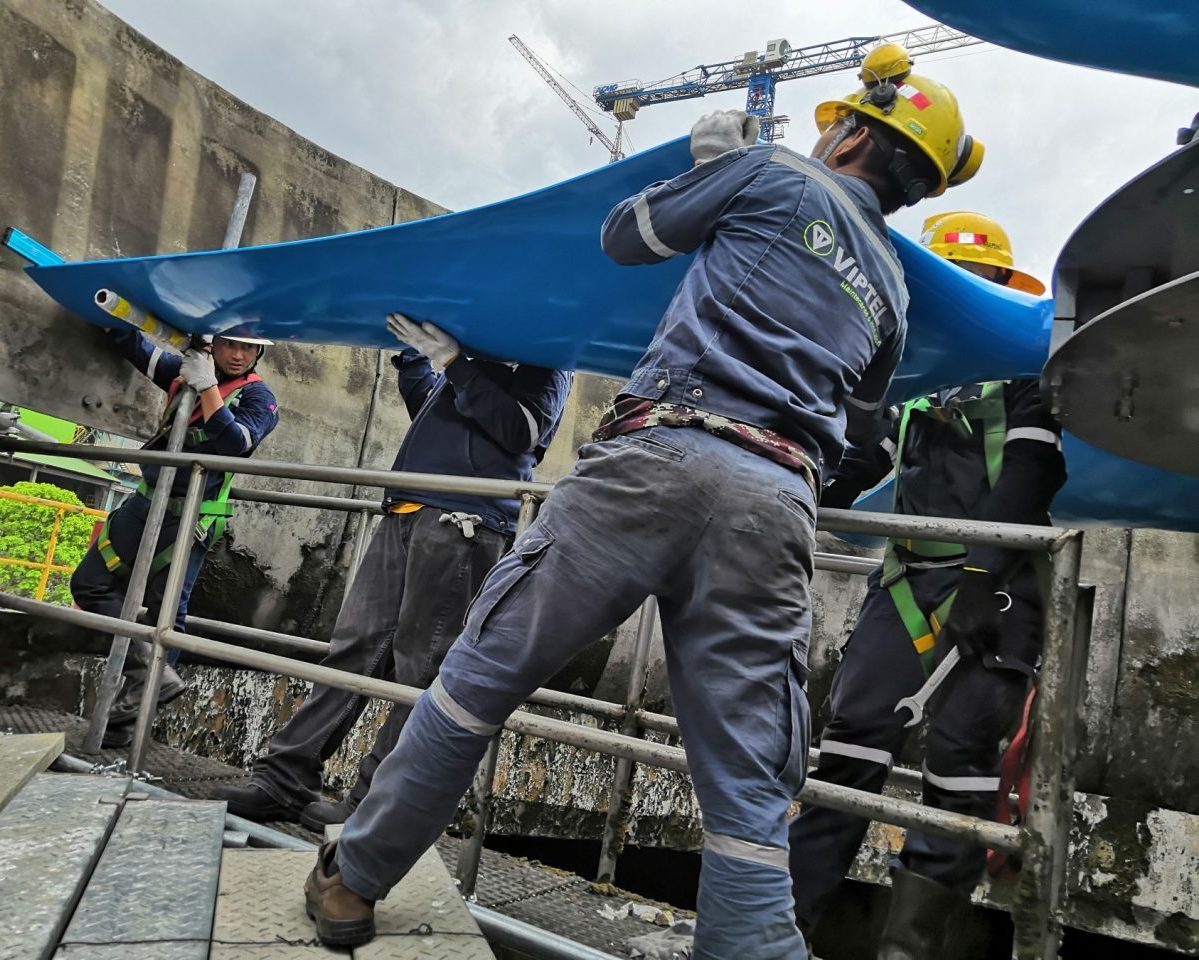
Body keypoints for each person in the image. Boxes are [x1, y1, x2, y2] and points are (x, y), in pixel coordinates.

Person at [303, 48, 982, 959]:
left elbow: (627, 237)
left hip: (655, 457)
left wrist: (708, 166)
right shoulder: (894, 289)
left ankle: (351, 882)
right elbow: (861, 435)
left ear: (855, 133)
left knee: (477, 682)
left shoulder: (775, 174)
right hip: (778, 500)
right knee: (749, 785)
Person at [788, 211, 1064, 959]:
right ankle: (780, 933)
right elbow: (863, 460)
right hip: (906, 582)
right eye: (954, 281)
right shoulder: (916, 382)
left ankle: (905, 950)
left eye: (979, 282)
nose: (965, 294)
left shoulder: (1030, 378)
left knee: (961, 767)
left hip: (995, 588)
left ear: (1000, 291)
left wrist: (981, 574)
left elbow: (1033, 474)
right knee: (850, 751)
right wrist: (792, 491)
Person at [215, 313, 572, 830]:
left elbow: (523, 432)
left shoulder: (551, 353)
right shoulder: (476, 353)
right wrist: (416, 357)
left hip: (465, 520)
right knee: (353, 648)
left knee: (419, 669)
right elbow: (430, 405)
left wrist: (455, 363)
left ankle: (374, 806)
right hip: (408, 509)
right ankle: (283, 781)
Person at [70, 330, 279, 748]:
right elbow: (134, 347)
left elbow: (235, 445)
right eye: (230, 344)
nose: (238, 354)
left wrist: (208, 387)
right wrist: (121, 315)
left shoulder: (259, 397)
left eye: (248, 348)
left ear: (258, 353)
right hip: (146, 501)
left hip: (191, 515)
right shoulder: (183, 371)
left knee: (166, 614)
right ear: (214, 344)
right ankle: (151, 672)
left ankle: (132, 716)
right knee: (90, 584)